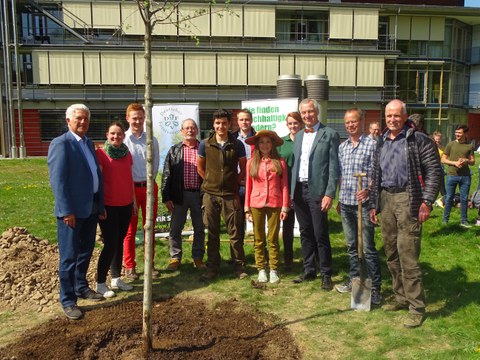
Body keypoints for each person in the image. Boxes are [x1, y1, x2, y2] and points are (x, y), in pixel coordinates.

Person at [369, 99, 442, 328]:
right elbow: (375, 174)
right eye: (389, 116)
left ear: (405, 116)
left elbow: (434, 172)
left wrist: (427, 202)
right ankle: (400, 297)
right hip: (386, 199)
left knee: (408, 254)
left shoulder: (418, 140)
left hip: (408, 199)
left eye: (396, 116)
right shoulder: (381, 141)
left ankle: (416, 307)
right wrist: (374, 204)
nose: (392, 119)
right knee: (391, 253)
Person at [48, 104, 105, 320]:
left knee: (85, 252)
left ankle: (81, 286)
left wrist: (100, 206)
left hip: (90, 209)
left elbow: (94, 176)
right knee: (69, 257)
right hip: (71, 213)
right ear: (69, 120)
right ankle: (68, 300)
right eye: (78, 118)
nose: (83, 122)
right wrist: (66, 211)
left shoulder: (88, 143)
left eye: (86, 119)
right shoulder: (61, 144)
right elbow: (58, 181)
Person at [290, 98, 340, 290]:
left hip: (318, 190)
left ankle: (326, 273)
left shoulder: (330, 134)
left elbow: (334, 167)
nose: (307, 115)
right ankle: (309, 269)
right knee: (305, 232)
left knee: (320, 233)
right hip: (299, 189)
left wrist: (329, 193)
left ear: (317, 112)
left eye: (310, 112)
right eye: (304, 113)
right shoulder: (299, 135)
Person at [336, 108, 382, 305]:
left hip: (363, 204)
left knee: (368, 247)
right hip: (346, 203)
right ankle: (354, 279)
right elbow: (341, 175)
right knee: (351, 246)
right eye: (347, 122)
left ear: (361, 122)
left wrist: (369, 190)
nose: (350, 125)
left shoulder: (371, 145)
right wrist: (338, 199)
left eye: (353, 122)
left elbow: (377, 174)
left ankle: (376, 287)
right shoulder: (342, 147)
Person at [197, 109, 247, 280]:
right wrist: (209, 181)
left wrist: (235, 183)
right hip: (210, 195)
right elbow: (200, 167)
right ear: (213, 124)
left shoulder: (237, 144)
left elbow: (244, 167)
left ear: (229, 124)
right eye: (218, 123)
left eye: (224, 123)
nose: (221, 126)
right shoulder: (204, 144)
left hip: (230, 195)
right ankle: (212, 268)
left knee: (235, 233)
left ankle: (239, 266)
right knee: (212, 232)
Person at [95, 122, 135, 298]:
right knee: (110, 244)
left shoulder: (126, 154)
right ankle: (100, 283)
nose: (115, 137)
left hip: (125, 204)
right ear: (106, 134)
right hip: (109, 206)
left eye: (119, 134)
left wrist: (133, 200)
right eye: (112, 134)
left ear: (123, 136)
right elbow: (97, 181)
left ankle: (116, 278)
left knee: (119, 242)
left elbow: (129, 177)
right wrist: (100, 204)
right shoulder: (101, 154)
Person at [244, 130, 289, 284]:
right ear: (257, 145)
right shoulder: (251, 162)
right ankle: (261, 269)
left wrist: (284, 207)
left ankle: (274, 269)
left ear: (273, 144)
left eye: (268, 142)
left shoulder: (280, 161)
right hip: (256, 203)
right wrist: (246, 208)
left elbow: (284, 186)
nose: (265, 145)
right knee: (258, 238)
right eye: (261, 142)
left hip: (275, 203)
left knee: (273, 237)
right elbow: (248, 186)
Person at [161, 119, 205, 271]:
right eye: (187, 128)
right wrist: (166, 197)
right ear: (181, 131)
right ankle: (175, 258)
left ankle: (198, 258)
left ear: (197, 130)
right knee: (175, 229)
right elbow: (167, 174)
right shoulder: (174, 150)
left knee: (199, 228)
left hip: (198, 195)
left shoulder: (203, 149)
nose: (190, 130)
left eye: (193, 128)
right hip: (179, 195)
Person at [123, 103, 160, 279]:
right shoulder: (123, 140)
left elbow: (156, 163)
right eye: (134, 117)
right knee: (130, 230)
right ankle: (130, 266)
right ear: (127, 118)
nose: (137, 121)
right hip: (130, 189)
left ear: (145, 118)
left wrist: (151, 185)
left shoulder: (151, 139)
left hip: (149, 188)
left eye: (140, 117)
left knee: (149, 228)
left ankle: (149, 265)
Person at [277, 112, 303, 269]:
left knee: (306, 226)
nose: (293, 126)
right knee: (287, 226)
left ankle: (311, 259)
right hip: (286, 189)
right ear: (287, 125)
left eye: (296, 123)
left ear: (300, 124)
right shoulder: (281, 143)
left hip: (302, 187)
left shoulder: (306, 139)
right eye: (290, 123)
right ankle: (288, 259)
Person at [231, 109, 256, 258]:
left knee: (258, 221)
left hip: (255, 185)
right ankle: (237, 256)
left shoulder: (258, 137)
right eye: (241, 120)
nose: (244, 122)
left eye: (247, 119)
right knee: (236, 222)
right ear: (237, 122)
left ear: (251, 121)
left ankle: (260, 254)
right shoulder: (232, 138)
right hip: (237, 184)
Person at [441, 125, 475, 227]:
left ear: (465, 133)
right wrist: (454, 163)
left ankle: (464, 221)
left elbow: (473, 161)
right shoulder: (450, 145)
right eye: (456, 132)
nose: (457, 134)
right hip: (452, 175)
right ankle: (445, 221)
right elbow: (443, 159)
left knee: (464, 199)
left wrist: (466, 160)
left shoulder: (469, 146)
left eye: (459, 133)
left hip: (465, 176)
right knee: (449, 198)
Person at [432, 131, 446, 202]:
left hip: (441, 168)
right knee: (433, 184)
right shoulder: (431, 147)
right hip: (433, 167)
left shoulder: (443, 148)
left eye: (439, 139)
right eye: (436, 139)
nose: (437, 141)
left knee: (441, 184)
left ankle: (445, 198)